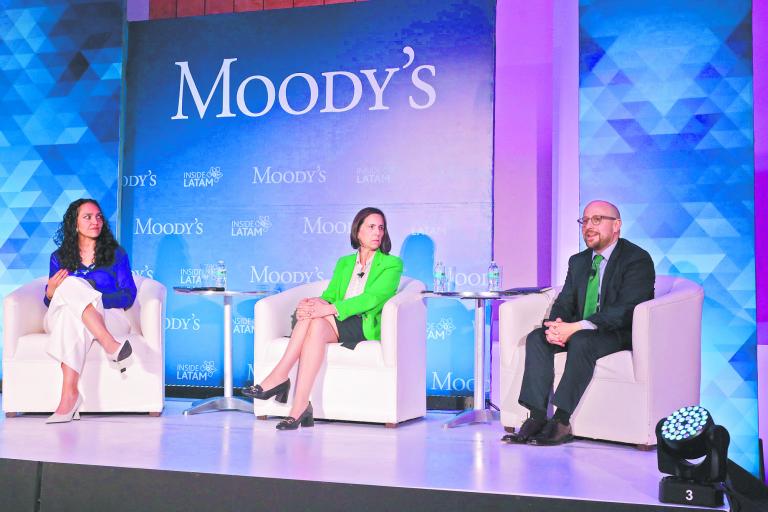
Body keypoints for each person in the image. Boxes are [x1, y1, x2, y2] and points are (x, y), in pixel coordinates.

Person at [502, 200, 655, 446]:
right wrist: (555, 326)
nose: (589, 226)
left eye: (597, 220)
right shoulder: (579, 261)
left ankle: (561, 421)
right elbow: (565, 301)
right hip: (579, 329)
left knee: (582, 341)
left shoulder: (636, 259)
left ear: (616, 226)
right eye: (585, 221)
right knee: (537, 338)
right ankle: (537, 417)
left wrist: (577, 327)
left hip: (617, 332)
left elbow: (627, 309)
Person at [243, 207, 403, 430]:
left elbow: (372, 299)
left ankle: (279, 377)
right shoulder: (345, 262)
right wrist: (311, 304)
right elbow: (329, 296)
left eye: (381, 228)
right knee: (314, 321)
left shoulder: (392, 264)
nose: (377, 232)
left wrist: (329, 309)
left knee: (317, 317)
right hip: (335, 321)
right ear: (358, 231)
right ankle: (299, 408)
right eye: (371, 227)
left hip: (362, 323)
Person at [43, 199, 137, 424]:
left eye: (98, 217)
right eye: (87, 217)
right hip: (61, 316)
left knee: (73, 308)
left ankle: (69, 397)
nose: (95, 221)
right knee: (69, 288)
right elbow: (50, 302)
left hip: (110, 316)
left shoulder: (116, 254)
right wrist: (50, 291)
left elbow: (128, 294)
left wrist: (94, 297)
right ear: (74, 224)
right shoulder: (59, 258)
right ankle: (111, 346)